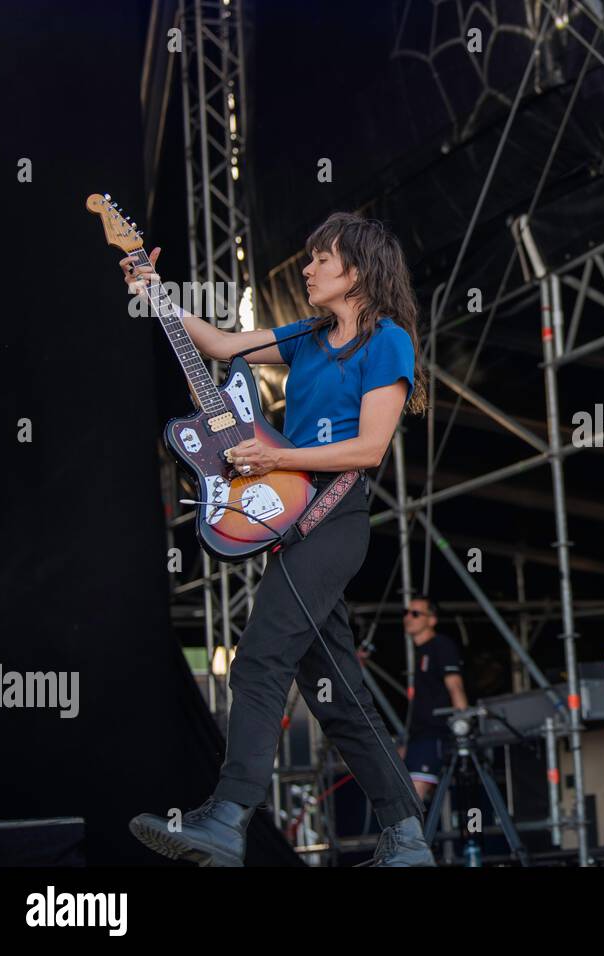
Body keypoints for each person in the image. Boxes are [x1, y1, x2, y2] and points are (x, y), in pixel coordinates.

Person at [125, 213, 436, 866]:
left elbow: (372, 446)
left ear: (356, 270)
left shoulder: (388, 342)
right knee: (342, 691)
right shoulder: (308, 336)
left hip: (337, 517)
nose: (308, 268)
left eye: (321, 258)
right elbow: (220, 343)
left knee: (261, 656)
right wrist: (156, 291)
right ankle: (407, 835)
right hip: (295, 528)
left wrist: (275, 463)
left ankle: (228, 816)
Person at [398, 597, 468, 804]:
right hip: (418, 737)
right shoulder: (421, 653)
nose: (408, 618)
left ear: (432, 620)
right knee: (406, 801)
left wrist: (462, 724)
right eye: (407, 613)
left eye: (416, 613)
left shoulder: (441, 645)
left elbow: (455, 686)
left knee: (413, 802)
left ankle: (413, 837)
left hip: (434, 734)